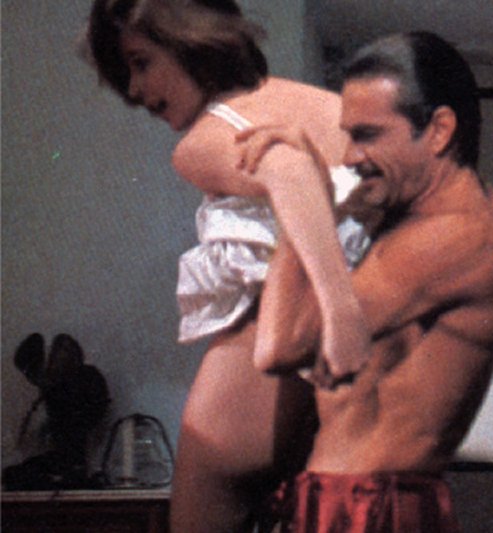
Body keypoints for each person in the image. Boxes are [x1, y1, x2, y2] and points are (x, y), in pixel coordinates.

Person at [83, 1, 374, 531]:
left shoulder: (207, 137)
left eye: (141, 62)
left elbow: (289, 170)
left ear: (189, 39)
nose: (135, 90)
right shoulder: (330, 108)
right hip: (325, 401)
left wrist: (341, 312)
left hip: (235, 415)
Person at [240, 31, 493, 531]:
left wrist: (303, 199)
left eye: (368, 135)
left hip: (373, 509)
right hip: (341, 498)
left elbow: (281, 346)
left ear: (438, 131)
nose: (351, 156)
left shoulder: (462, 237)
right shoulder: (403, 218)